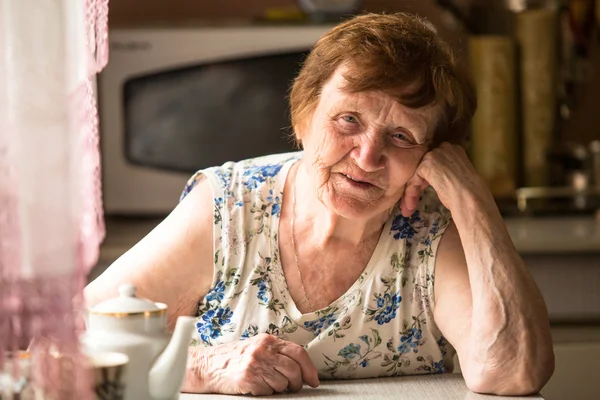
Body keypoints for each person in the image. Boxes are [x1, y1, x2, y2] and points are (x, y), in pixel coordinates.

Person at [84, 12, 554, 396]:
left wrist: (473, 200)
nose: (368, 157)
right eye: (348, 119)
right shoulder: (231, 208)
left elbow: (512, 372)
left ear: (432, 156)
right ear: (304, 116)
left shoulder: (434, 230)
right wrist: (202, 365)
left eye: (401, 136)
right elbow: (72, 335)